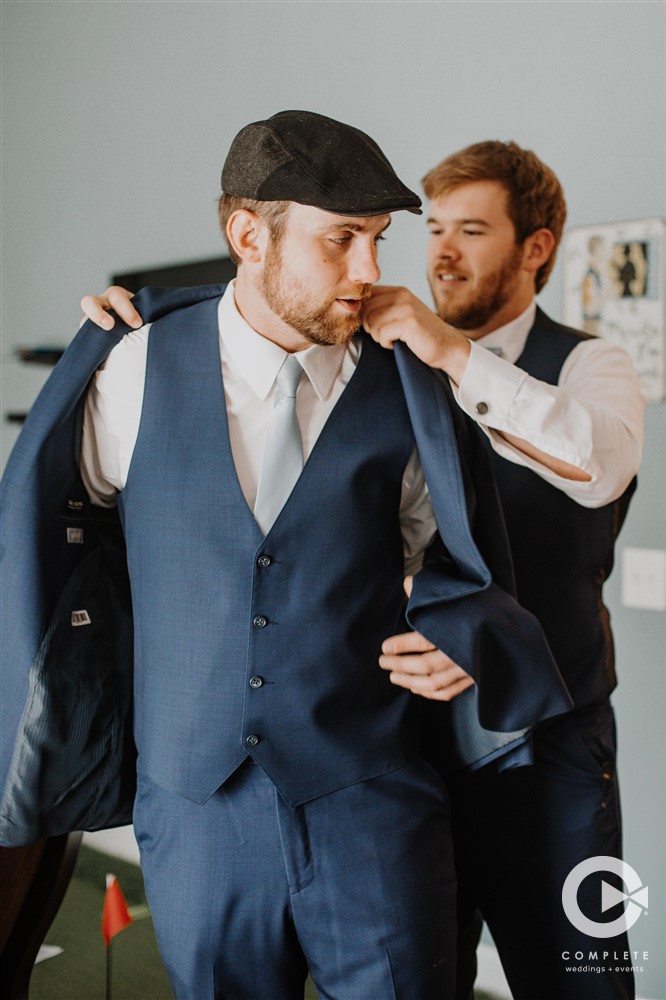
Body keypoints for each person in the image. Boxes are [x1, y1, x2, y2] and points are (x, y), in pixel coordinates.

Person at [0, 114, 572, 1000]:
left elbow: (453, 557)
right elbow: (65, 548)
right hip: (194, 810)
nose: (372, 272)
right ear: (246, 236)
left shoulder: (409, 380)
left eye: (379, 240)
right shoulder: (129, 372)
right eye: (341, 239)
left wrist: (460, 632)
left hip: (372, 800)